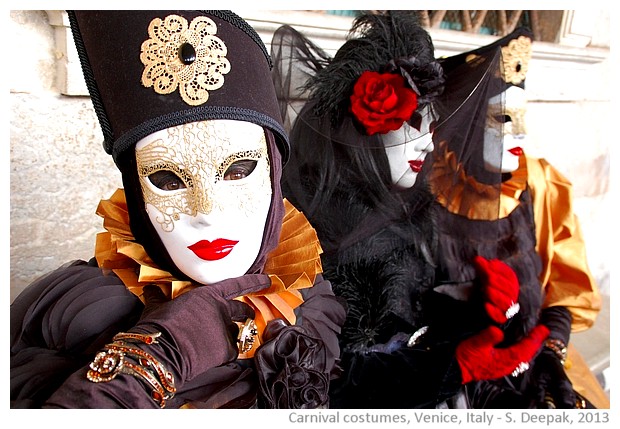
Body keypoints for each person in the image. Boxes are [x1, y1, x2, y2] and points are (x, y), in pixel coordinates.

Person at [10, 10, 346, 409]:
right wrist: (167, 347)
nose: (207, 211)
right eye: (168, 180)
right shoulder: (78, 316)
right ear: (136, 192)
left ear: (273, 176)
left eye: (238, 170)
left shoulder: (308, 300)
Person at [271, 11, 549, 409]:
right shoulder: (311, 232)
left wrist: (468, 306)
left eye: (432, 128)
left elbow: (412, 321)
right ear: (369, 120)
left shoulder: (409, 206)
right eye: (414, 123)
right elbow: (324, 379)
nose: (428, 145)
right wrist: (451, 369)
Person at [430, 27, 603, 408]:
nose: (519, 134)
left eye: (522, 116)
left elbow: (564, 283)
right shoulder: (426, 193)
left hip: (536, 356)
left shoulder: (539, 181)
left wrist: (551, 348)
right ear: (468, 124)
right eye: (504, 118)